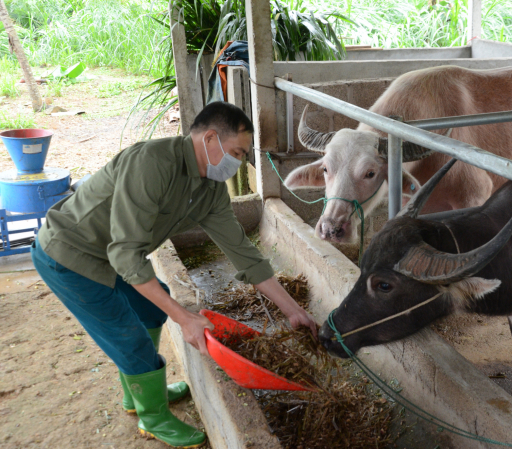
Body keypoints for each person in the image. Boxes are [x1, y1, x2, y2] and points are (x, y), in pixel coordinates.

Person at [31, 102, 317, 448]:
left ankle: (139, 393)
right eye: (237, 153)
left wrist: (292, 310)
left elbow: (244, 253)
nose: (239, 163)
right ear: (210, 138)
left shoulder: (210, 190)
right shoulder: (152, 164)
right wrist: (184, 318)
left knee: (151, 310)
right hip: (70, 254)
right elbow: (126, 253)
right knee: (128, 335)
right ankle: (152, 417)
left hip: (113, 253)